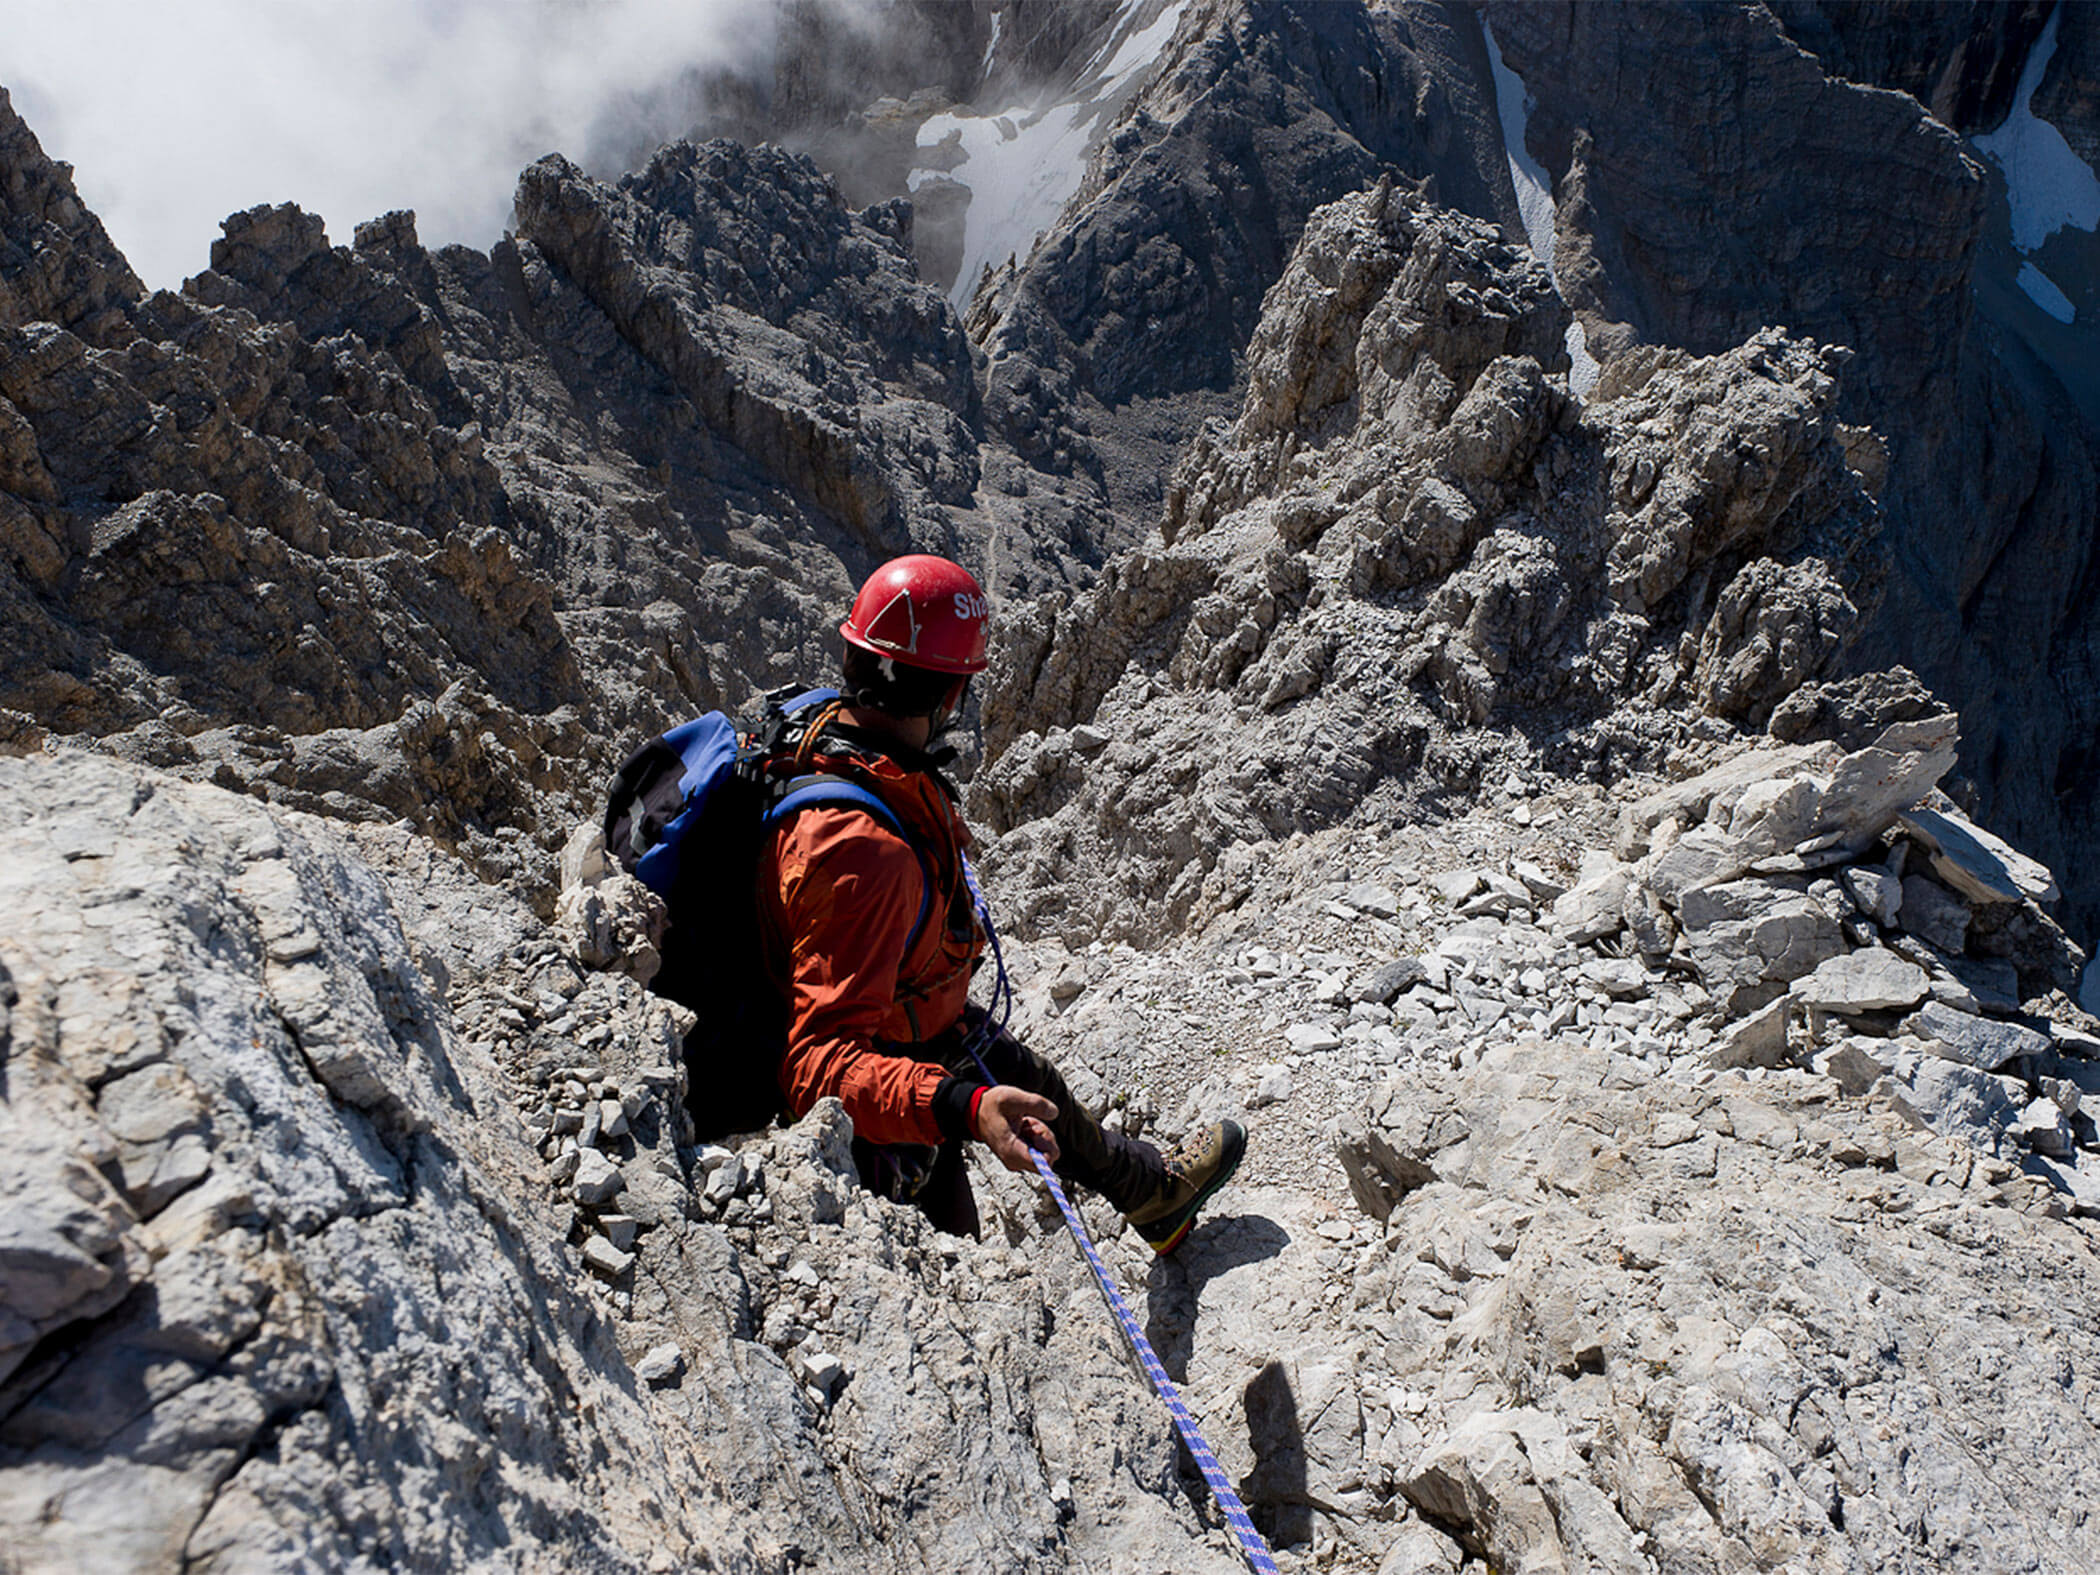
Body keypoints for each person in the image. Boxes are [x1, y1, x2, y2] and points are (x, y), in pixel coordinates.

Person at [754, 553, 1244, 1251]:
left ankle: (1149, 1192)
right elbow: (818, 1065)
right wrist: (961, 1105)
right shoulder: (864, 852)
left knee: (1031, 1079)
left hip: (916, 1018)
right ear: (949, 697)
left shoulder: (843, 737)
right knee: (949, 1238)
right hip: (878, 1083)